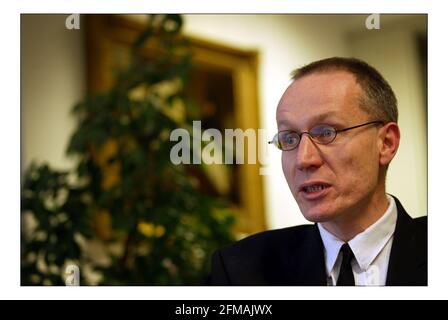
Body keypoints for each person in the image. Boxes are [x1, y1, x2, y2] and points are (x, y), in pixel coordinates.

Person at [207, 57, 427, 286]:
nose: (304, 159)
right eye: (289, 138)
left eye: (326, 133)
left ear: (386, 143)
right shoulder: (240, 269)